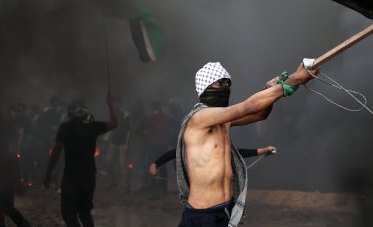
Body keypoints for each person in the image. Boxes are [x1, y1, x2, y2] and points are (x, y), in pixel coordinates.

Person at [176, 62, 317, 227]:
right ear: (205, 87)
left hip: (225, 211)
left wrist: (269, 89)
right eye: (219, 83)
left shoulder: (223, 120)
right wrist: (294, 80)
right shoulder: (199, 118)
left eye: (228, 83)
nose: (225, 87)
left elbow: (259, 114)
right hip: (202, 216)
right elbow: (249, 106)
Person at [43, 95, 118, 227]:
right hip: (89, 175)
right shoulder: (92, 126)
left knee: (68, 213)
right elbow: (114, 123)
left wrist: (48, 173)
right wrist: (110, 105)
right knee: (85, 213)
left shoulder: (65, 127)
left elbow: (56, 152)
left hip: (72, 176)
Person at [149, 146, 277, 176]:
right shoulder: (192, 143)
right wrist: (156, 163)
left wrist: (263, 150)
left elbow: (237, 152)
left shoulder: (217, 145)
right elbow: (174, 153)